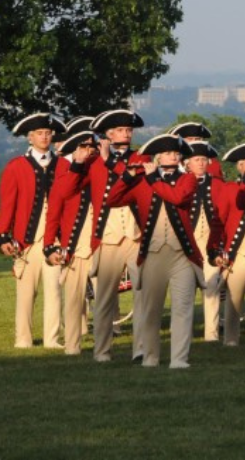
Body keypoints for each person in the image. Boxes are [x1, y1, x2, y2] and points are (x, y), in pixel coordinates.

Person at [54, 109, 148, 363]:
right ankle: (102, 351)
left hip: (136, 235)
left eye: (128, 130)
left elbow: (132, 180)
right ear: (108, 134)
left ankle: (140, 348)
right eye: (120, 130)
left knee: (142, 292)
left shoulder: (140, 158)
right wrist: (77, 162)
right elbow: (65, 192)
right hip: (107, 237)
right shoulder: (93, 162)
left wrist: (109, 161)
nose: (126, 134)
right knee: (105, 298)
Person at [106, 134, 203, 368]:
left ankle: (179, 359)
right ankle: (150, 358)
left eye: (176, 153)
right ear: (158, 157)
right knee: (151, 310)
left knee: (182, 308)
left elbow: (177, 197)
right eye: (169, 153)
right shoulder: (141, 180)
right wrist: (127, 176)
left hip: (182, 254)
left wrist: (151, 179)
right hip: (152, 254)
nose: (174, 156)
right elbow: (112, 199)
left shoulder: (187, 179)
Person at [0, 113, 67, 349]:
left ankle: (51, 339)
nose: (44, 137)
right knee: (26, 294)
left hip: (54, 239)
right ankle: (23, 339)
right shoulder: (16, 166)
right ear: (30, 137)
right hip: (26, 240)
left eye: (47, 133)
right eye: (39, 133)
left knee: (54, 292)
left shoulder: (64, 166)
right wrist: (3, 235)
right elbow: (8, 204)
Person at [43, 129, 98, 355]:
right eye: (83, 146)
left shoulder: (101, 167)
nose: (88, 150)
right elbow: (55, 209)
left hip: (100, 243)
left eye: (90, 146)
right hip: (75, 245)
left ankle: (103, 346)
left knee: (104, 300)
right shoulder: (64, 172)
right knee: (73, 300)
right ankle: (72, 345)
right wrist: (49, 246)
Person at [215, 143, 245, 347]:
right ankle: (231, 339)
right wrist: (217, 250)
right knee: (234, 300)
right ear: (240, 166)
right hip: (239, 253)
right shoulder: (229, 189)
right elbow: (219, 220)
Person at [183, 142, 225, 342]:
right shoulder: (181, 182)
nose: (200, 163)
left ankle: (212, 334)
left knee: (212, 287)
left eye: (203, 160)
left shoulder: (217, 184)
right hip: (188, 243)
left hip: (211, 243)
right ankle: (185, 332)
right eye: (196, 159)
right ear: (187, 162)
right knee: (186, 290)